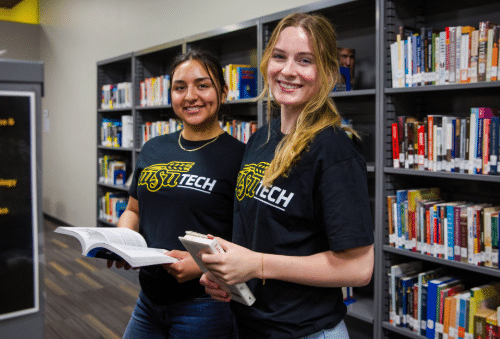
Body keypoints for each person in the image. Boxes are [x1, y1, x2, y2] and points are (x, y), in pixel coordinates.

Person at [199, 13, 374, 339]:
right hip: (250, 324)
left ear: (327, 73)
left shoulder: (334, 150)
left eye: (305, 60)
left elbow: (359, 268)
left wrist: (257, 265)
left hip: (304, 332)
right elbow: (262, 234)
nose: (288, 70)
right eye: (279, 56)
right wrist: (229, 274)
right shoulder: (260, 139)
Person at [108, 49, 245, 338]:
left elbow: (249, 238)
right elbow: (133, 210)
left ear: (223, 91)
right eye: (180, 87)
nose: (190, 96)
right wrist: (122, 241)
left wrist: (199, 264)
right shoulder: (153, 148)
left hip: (205, 304)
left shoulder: (241, 158)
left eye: (202, 85)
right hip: (148, 299)